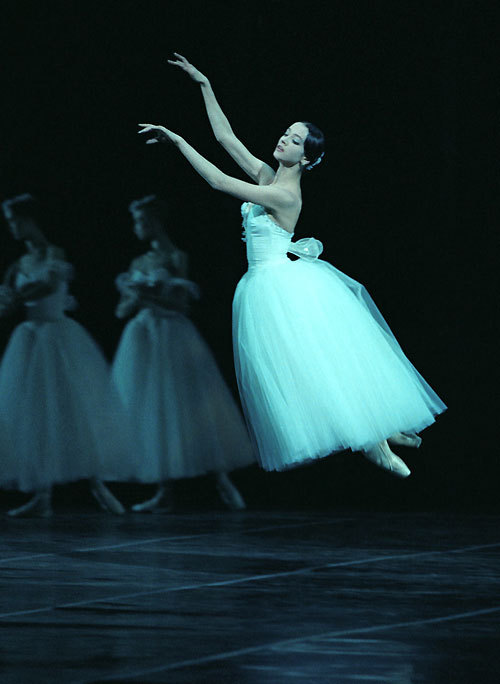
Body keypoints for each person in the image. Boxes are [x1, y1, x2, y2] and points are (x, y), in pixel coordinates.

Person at [138, 53, 447, 477]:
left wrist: (177, 141)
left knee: (326, 368)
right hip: (265, 284)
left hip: (282, 288)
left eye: (295, 140)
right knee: (314, 374)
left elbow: (219, 182)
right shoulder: (268, 176)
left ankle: (375, 440)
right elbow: (227, 139)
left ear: (305, 159)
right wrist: (204, 84)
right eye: (286, 133)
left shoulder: (284, 195)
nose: (284, 139)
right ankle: (381, 430)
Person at [112, 195, 253, 512]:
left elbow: (182, 304)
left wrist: (150, 294)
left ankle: (222, 479)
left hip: (173, 334)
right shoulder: (137, 264)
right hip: (144, 337)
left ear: (154, 222)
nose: (138, 227)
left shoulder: (176, 257)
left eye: (141, 221)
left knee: (189, 405)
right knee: (154, 412)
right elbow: (121, 310)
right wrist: (135, 297)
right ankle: (164, 490)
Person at [0, 194, 128, 516]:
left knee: (75, 412)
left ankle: (98, 485)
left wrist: (16, 296)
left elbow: (45, 287)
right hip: (29, 339)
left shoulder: (54, 255)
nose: (12, 227)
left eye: (15, 220)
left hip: (58, 339)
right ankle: (42, 496)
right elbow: (9, 299)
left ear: (30, 220)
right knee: (36, 417)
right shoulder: (17, 265)